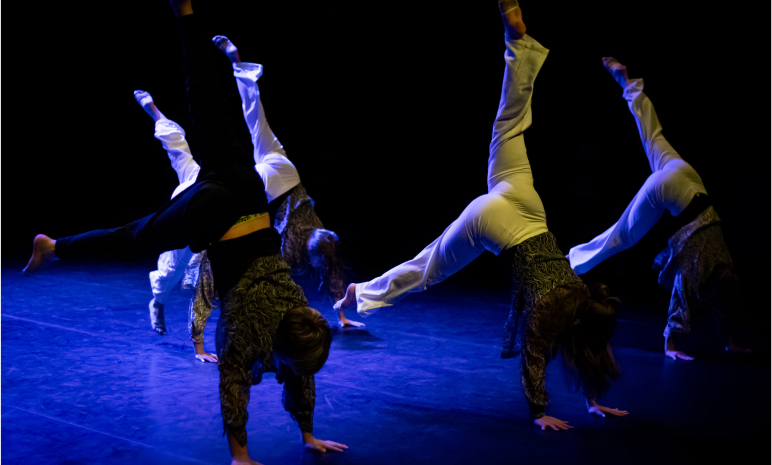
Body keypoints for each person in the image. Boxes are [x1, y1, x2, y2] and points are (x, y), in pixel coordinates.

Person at [23, 1, 347, 462]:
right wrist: (241, 456)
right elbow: (234, 385)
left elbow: (300, 373)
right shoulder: (248, 331)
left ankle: (186, 12)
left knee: (207, 100)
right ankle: (54, 248)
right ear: (279, 346)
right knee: (133, 236)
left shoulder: (301, 315)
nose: (300, 373)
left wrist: (308, 436)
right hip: (214, 215)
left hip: (248, 193)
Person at [335, 0, 628, 430]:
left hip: (528, 204)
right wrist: (539, 413)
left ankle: (517, 44)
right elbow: (536, 355)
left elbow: (584, 346)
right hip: (495, 223)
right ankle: (360, 295)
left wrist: (593, 400)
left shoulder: (581, 292)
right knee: (426, 271)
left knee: (508, 125)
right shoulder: (555, 312)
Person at [143, 37, 363, 347]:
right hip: (266, 188)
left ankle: (237, 66)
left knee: (255, 119)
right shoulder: (288, 252)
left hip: (287, 172)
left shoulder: (323, 236)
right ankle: (164, 122)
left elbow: (330, 267)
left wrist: (339, 316)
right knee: (193, 181)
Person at [566, 57, 751, 361]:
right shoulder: (702, 264)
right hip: (671, 190)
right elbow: (684, 291)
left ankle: (628, 84)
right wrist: (671, 342)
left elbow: (724, 302)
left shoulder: (724, 264)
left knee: (654, 137)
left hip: (687, 177)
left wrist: (730, 341)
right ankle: (568, 265)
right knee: (622, 236)